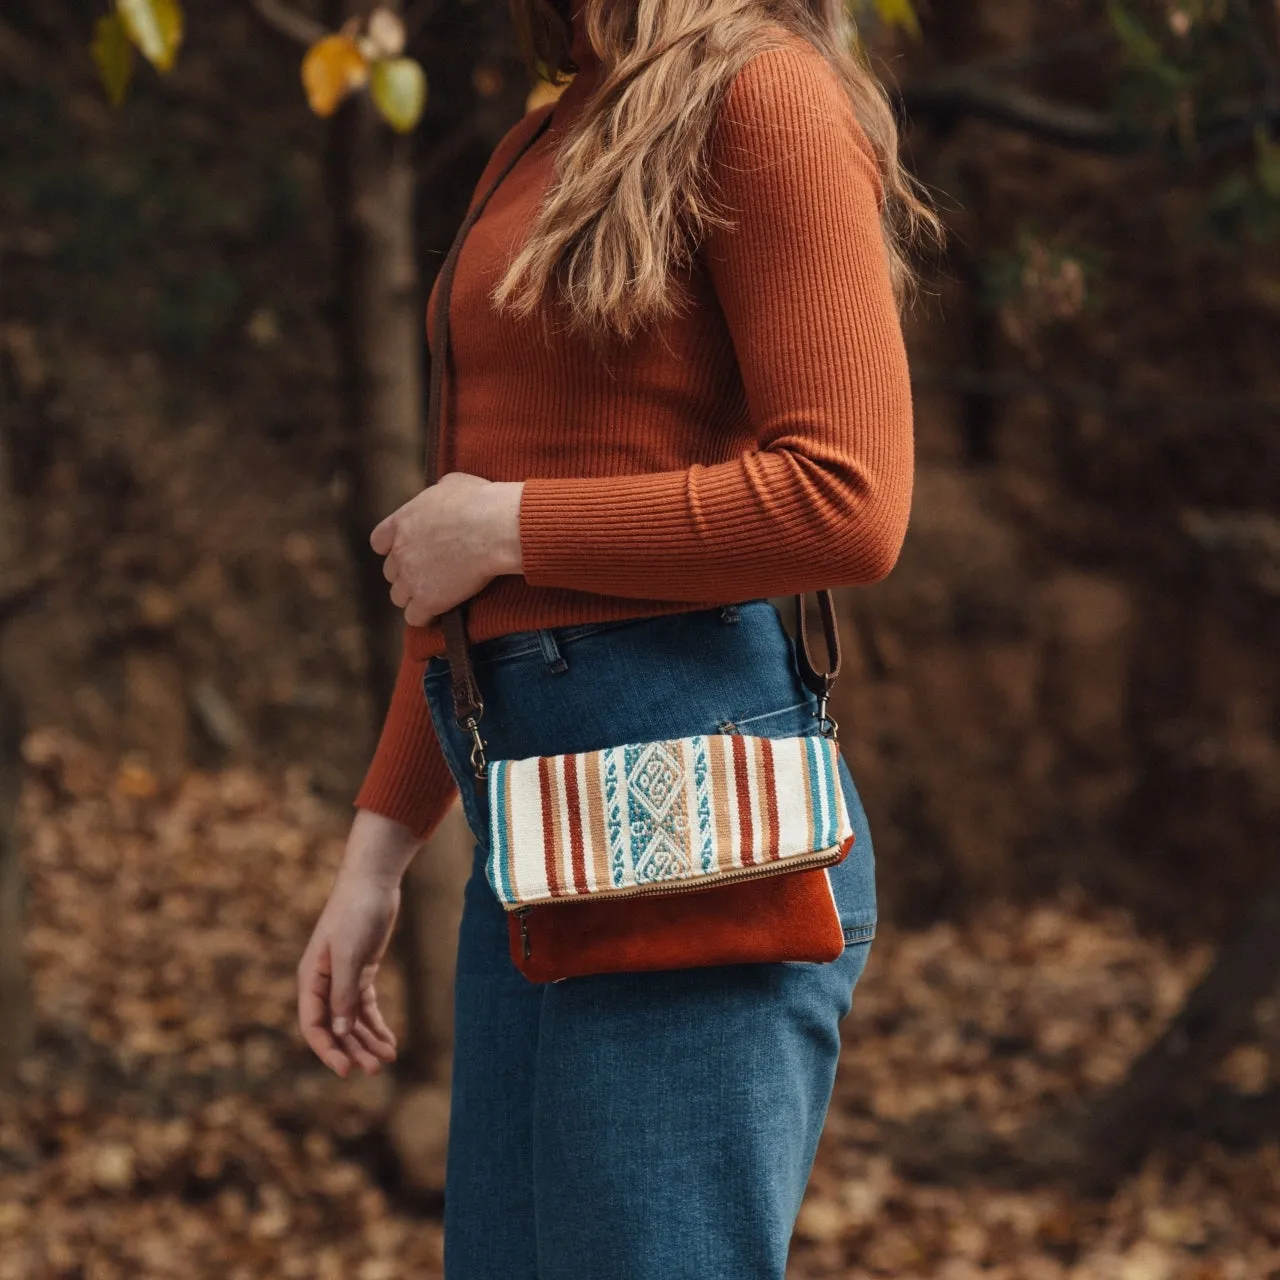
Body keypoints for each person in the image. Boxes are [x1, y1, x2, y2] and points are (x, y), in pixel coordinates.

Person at [297, 0, 936, 1273]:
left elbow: (849, 501)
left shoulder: (764, 92)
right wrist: (378, 853)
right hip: (524, 817)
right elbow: (454, 554)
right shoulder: (542, 134)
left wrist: (516, 529)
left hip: (693, 800)